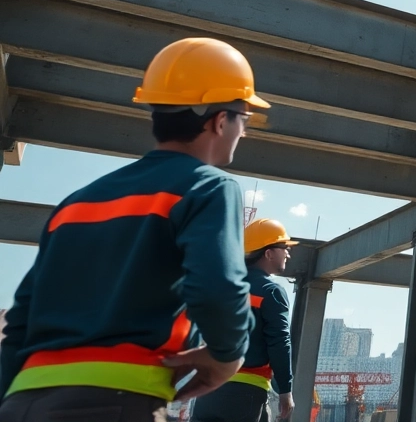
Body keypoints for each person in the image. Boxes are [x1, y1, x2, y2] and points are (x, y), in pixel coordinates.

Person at [0, 37, 268, 421]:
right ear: (220, 120)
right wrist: (228, 354)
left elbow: (20, 323)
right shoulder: (208, 186)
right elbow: (217, 288)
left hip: (22, 401)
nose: (245, 131)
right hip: (117, 401)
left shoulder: (75, 203)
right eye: (244, 118)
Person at [192, 218, 300, 421]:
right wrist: (286, 391)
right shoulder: (271, 292)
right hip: (245, 391)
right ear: (268, 253)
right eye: (283, 247)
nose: (288, 252)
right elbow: (279, 342)